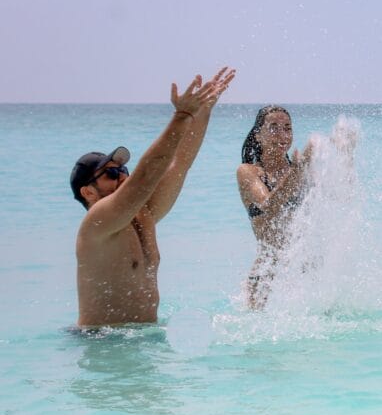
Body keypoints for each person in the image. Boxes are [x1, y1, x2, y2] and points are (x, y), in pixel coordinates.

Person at [71, 67, 234, 328]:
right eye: (112, 173)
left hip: (141, 339)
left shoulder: (143, 216)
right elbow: (146, 175)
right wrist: (182, 116)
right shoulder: (96, 222)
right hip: (102, 344)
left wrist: (202, 112)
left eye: (124, 170)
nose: (123, 177)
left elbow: (179, 164)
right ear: (88, 192)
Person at [237, 106, 313, 309]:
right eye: (274, 127)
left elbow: (338, 198)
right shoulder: (248, 172)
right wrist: (296, 172)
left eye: (287, 128)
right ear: (258, 135)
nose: (282, 134)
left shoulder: (302, 170)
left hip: (305, 270)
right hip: (266, 275)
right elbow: (269, 206)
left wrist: (346, 154)